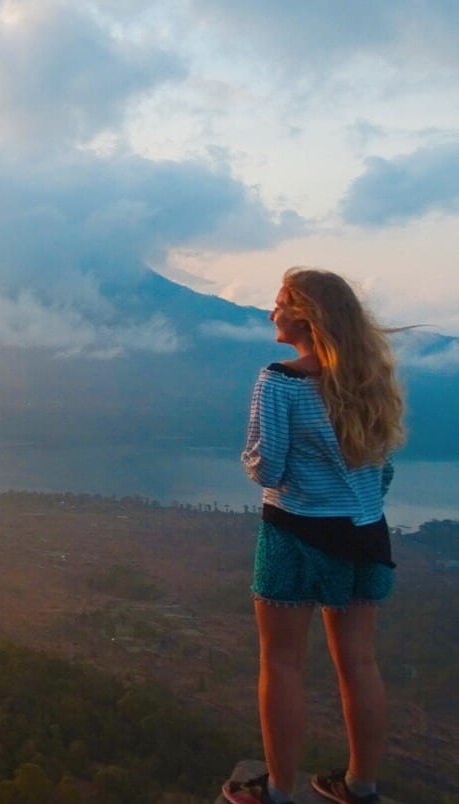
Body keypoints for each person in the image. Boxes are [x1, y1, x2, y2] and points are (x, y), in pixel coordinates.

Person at [222, 268, 404, 804]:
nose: (271, 312)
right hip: (367, 534)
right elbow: (382, 471)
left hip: (295, 533)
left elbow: (267, 468)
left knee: (281, 663)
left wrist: (248, 455)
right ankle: (360, 784)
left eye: (279, 303)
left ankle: (277, 791)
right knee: (361, 664)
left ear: (306, 317)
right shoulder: (369, 381)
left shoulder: (279, 380)